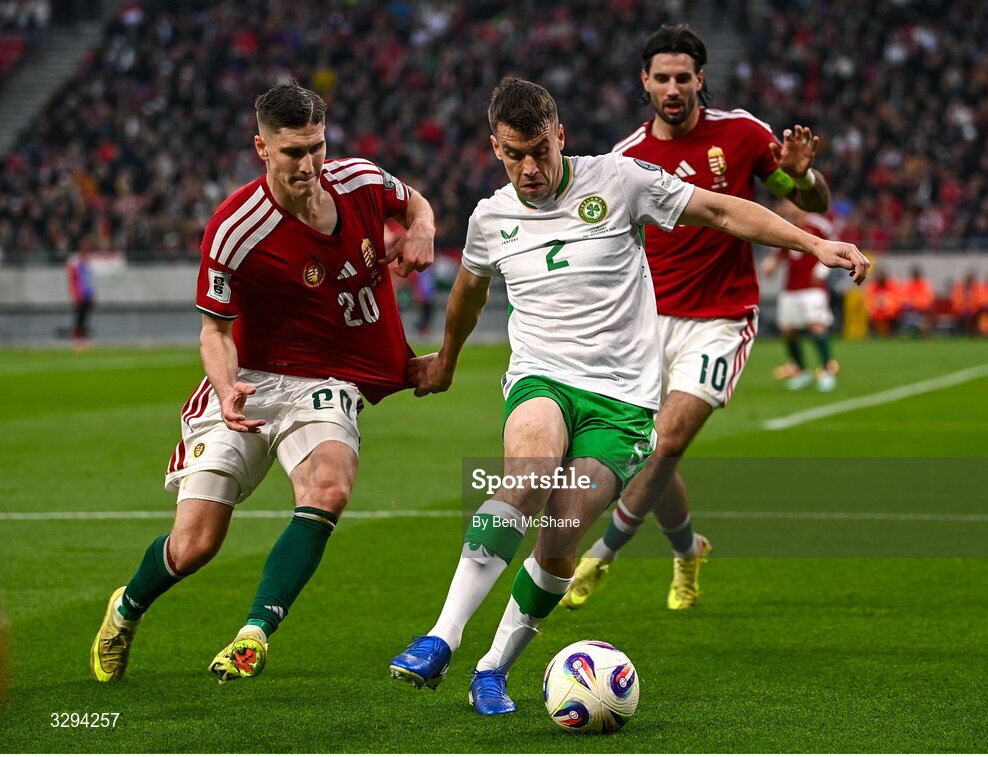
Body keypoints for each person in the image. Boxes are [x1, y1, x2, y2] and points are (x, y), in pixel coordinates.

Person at [387, 77, 868, 715]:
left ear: (560, 136)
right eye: (514, 155)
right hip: (541, 377)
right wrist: (447, 361)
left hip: (622, 400)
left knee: (559, 536)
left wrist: (814, 242)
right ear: (495, 148)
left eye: (540, 151)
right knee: (526, 479)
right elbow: (468, 294)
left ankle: (493, 668)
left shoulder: (619, 179)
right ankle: (440, 639)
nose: (529, 170)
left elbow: (722, 211)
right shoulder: (490, 217)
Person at [89, 81, 435, 684]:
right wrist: (225, 389)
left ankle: (254, 632)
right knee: (194, 546)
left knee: (328, 488)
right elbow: (214, 333)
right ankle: (126, 608)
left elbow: (413, 203)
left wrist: (423, 225)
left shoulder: (359, 180)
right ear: (262, 148)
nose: (308, 165)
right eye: (293, 152)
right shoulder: (235, 228)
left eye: (316, 147)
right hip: (247, 381)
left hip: (322, 380)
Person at [563, 24, 834, 613]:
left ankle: (601, 555)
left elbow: (811, 202)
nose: (673, 88)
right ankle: (689, 550)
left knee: (666, 441)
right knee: (649, 452)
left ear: (699, 80)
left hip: (720, 318)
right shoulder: (625, 159)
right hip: (645, 323)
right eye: (662, 78)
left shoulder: (741, 134)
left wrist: (801, 175)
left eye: (682, 77)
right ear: (645, 81)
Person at [761, 204, 839, 391]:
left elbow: (835, 245)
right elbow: (779, 253)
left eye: (790, 202)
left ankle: (826, 372)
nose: (788, 205)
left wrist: (822, 270)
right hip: (790, 288)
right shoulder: (785, 226)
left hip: (812, 287)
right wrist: (771, 264)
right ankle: (802, 371)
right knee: (788, 331)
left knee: (817, 326)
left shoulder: (819, 225)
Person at [66, 246, 94, 350]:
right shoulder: (76, 268)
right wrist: (75, 296)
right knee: (79, 319)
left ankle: (83, 339)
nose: (87, 258)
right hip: (80, 296)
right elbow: (73, 283)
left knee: (85, 319)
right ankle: (77, 340)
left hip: (87, 296)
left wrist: (92, 294)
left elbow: (90, 283)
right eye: (85, 256)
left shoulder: (87, 267)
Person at [902, 265, 935, 337]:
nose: (915, 275)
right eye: (914, 274)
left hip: (923, 311)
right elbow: (904, 299)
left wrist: (915, 304)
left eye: (916, 274)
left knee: (927, 315)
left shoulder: (925, 284)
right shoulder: (908, 285)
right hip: (910, 311)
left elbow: (927, 300)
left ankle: (925, 334)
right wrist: (912, 304)